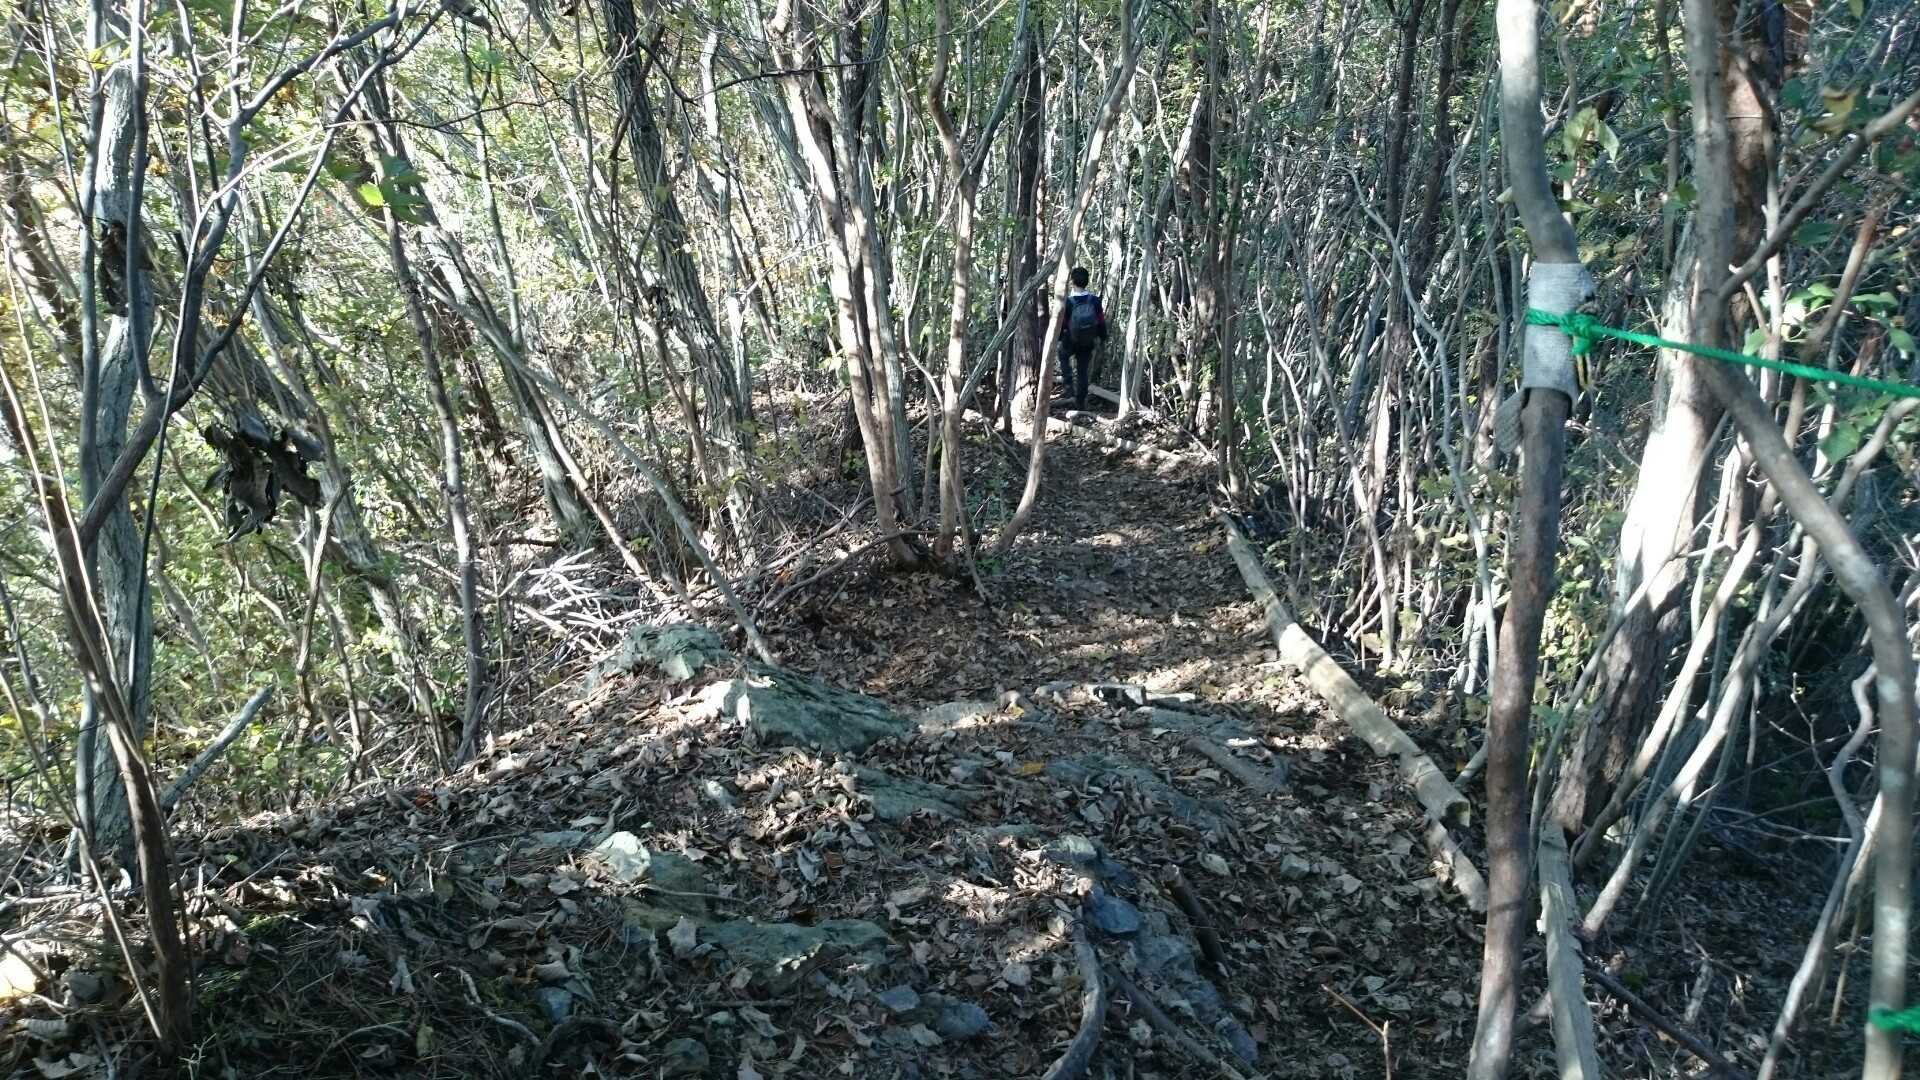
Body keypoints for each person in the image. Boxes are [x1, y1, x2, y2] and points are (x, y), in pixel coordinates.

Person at [1056, 266, 1108, 410]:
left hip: (1071, 339)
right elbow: (1100, 321)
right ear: (1087, 281)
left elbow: (1063, 323)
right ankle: (1080, 402)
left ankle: (1068, 387)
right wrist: (1102, 337)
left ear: (1072, 282)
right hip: (1087, 340)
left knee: (1062, 355)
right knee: (1082, 370)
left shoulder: (1068, 302)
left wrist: (1059, 338)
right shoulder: (1094, 300)